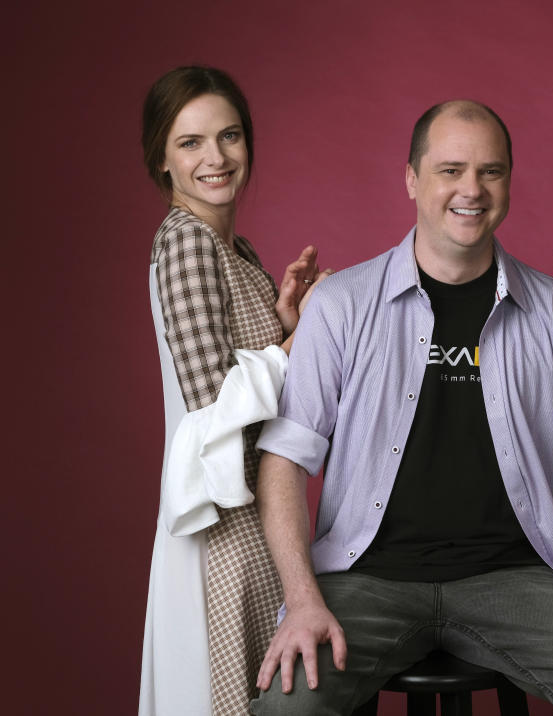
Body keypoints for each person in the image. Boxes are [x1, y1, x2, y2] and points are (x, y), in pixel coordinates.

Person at [249, 100, 553, 716]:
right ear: (412, 179)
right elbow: (284, 461)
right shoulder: (340, 304)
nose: (471, 189)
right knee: (287, 709)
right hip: (365, 579)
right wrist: (303, 599)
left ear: (507, 180)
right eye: (450, 170)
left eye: (490, 171)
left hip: (514, 581)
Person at [139, 65, 329, 716]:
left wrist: (285, 321)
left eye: (229, 136)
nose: (215, 158)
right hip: (221, 522)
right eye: (190, 142)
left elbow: (249, 372)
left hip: (252, 512)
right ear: (160, 158)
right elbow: (212, 406)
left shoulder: (235, 247)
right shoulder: (187, 241)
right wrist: (296, 348)